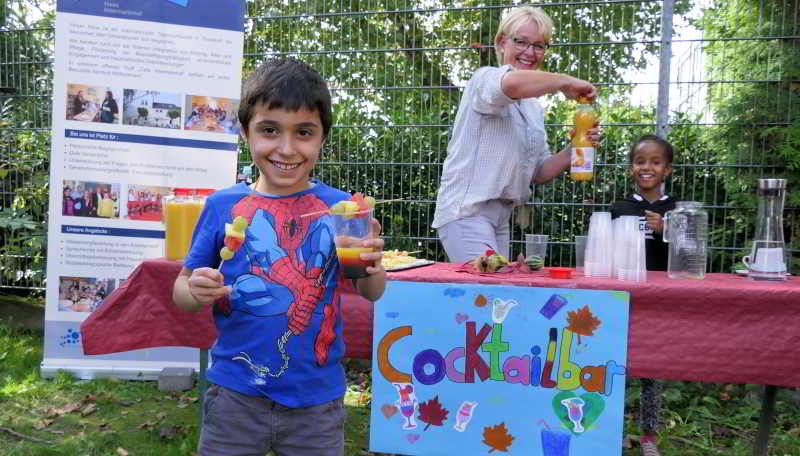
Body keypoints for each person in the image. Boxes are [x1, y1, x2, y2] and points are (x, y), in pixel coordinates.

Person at [173, 57, 387, 456]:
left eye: (304, 132)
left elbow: (371, 291)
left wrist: (373, 263)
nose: (286, 148)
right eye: (269, 130)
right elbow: (182, 290)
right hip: (234, 395)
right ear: (244, 131)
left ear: (323, 137)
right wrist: (196, 289)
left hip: (315, 401)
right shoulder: (223, 206)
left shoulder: (342, 209)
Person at [432, 6, 600, 262]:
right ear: (501, 42)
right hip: (467, 213)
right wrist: (565, 82)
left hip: (502, 217)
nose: (530, 52)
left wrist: (575, 148)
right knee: (488, 295)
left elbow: (537, 172)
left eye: (539, 45)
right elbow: (510, 83)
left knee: (496, 298)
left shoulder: (533, 108)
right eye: (521, 41)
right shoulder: (485, 78)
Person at [610, 134, 676, 456]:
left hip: (661, 301)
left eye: (655, 161)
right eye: (639, 161)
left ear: (667, 170)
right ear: (630, 169)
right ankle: (615, 431)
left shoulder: (677, 211)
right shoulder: (619, 208)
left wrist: (667, 230)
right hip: (624, 297)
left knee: (653, 368)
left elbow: (691, 253)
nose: (646, 167)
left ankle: (649, 436)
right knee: (617, 364)